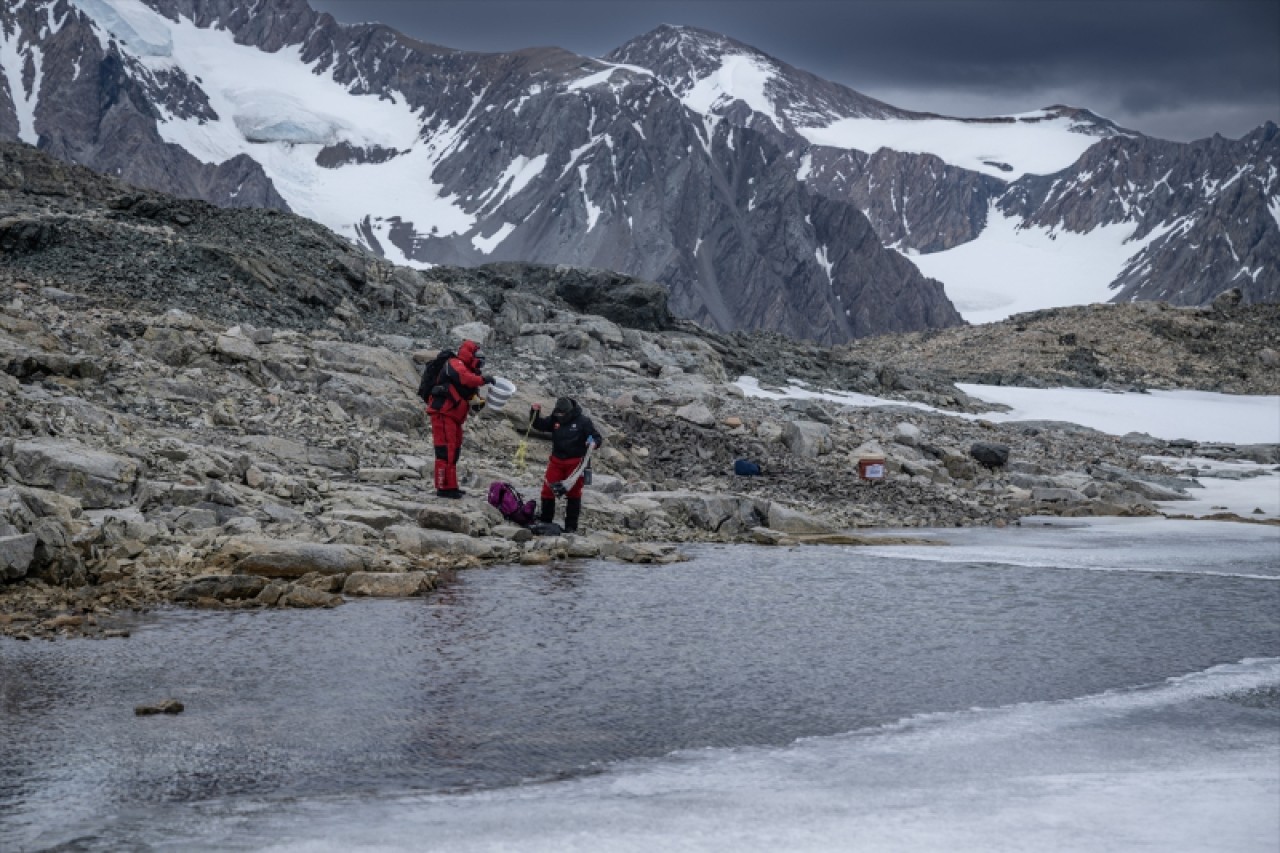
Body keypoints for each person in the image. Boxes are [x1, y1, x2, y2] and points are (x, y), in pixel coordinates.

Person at [426, 339, 493, 498]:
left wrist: (480, 402)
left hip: (455, 417)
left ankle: (451, 486)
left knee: (454, 451)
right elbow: (464, 378)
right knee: (445, 450)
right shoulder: (454, 364)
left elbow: (473, 400)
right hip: (443, 413)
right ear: (471, 356)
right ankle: (443, 487)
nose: (480, 365)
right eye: (479, 361)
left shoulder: (472, 374)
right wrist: (484, 380)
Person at [529, 397, 602, 533]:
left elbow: (597, 437)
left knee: (574, 493)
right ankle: (546, 520)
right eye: (558, 414)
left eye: (562, 414)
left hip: (576, 463)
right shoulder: (555, 418)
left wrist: (593, 442)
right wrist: (534, 412)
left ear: (569, 412)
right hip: (556, 460)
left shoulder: (583, 422)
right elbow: (538, 425)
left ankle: (571, 526)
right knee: (548, 490)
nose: (560, 417)